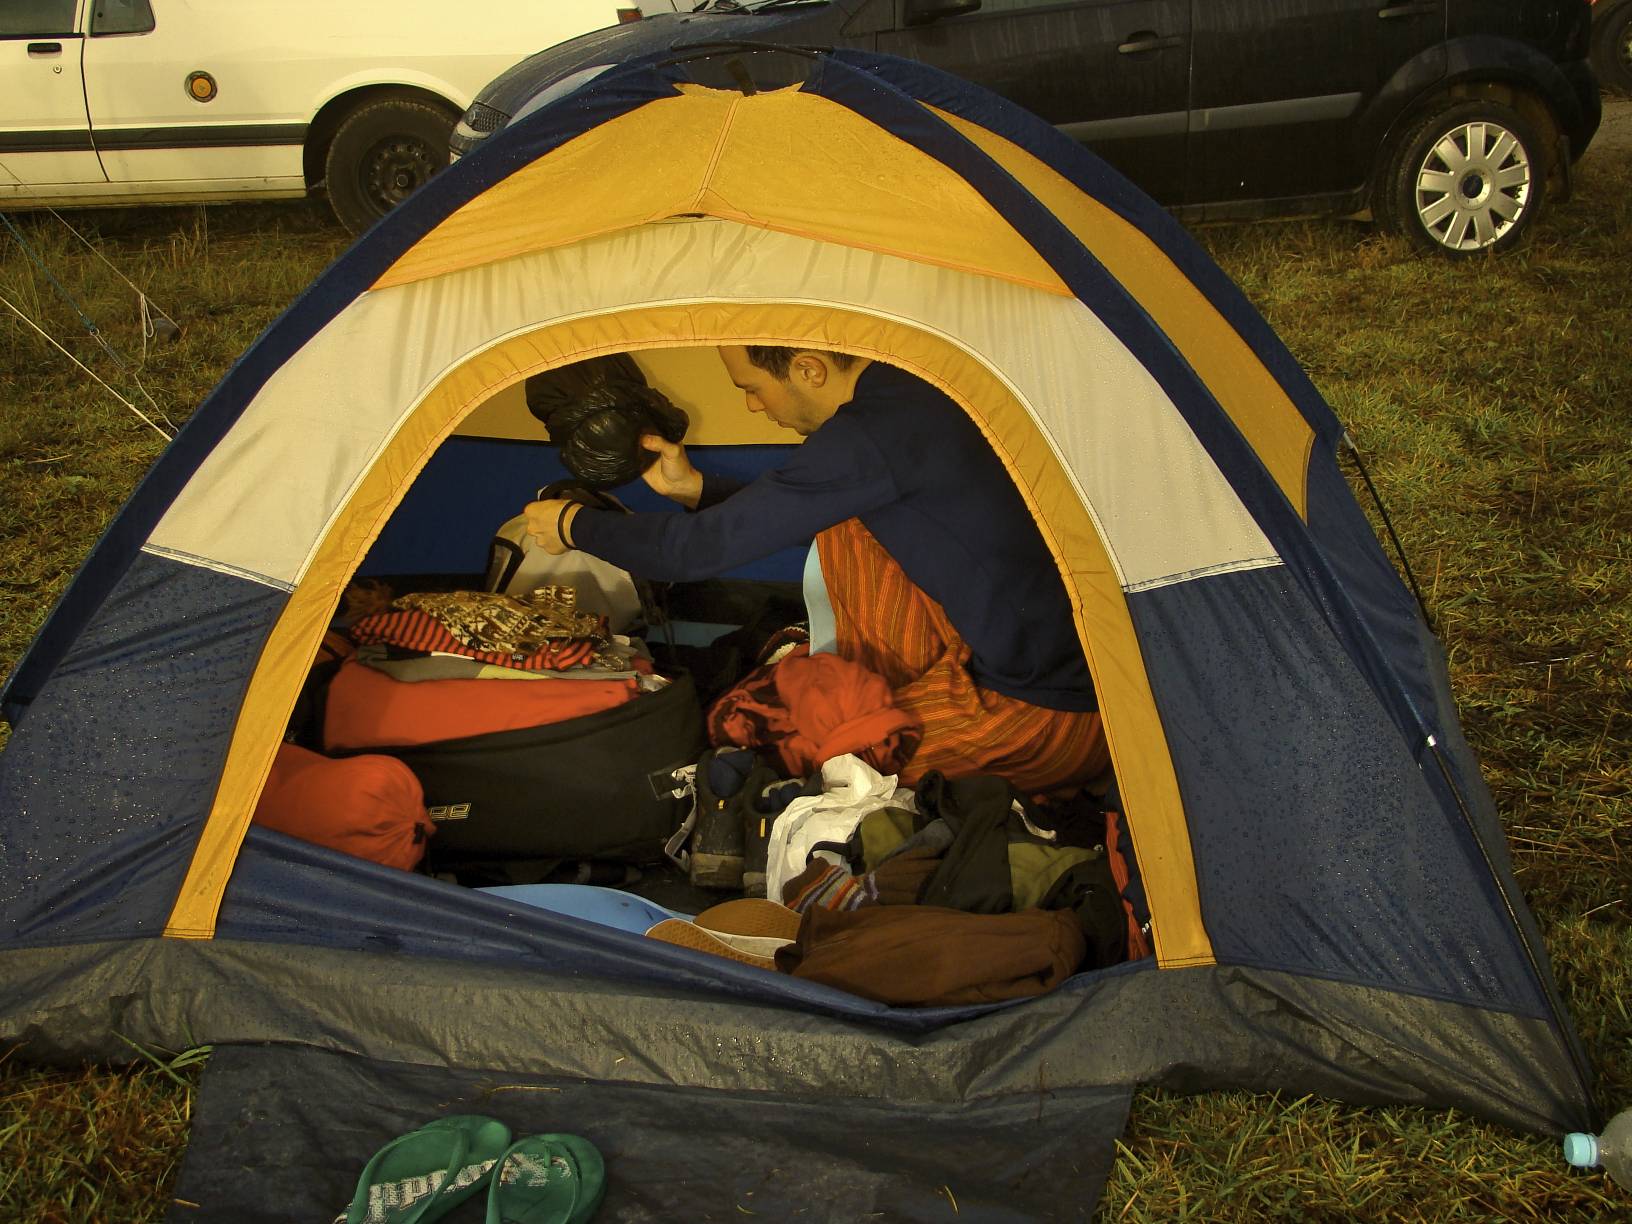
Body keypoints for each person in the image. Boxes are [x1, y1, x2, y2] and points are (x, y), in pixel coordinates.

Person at [523, 345, 1109, 794]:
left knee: (819, 768)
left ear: (807, 369)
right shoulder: (909, 398)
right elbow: (798, 508)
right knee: (847, 523)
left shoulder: (870, 435)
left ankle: (889, 725)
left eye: (753, 388)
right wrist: (697, 488)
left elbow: (693, 553)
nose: (753, 405)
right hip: (1030, 666)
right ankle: (881, 693)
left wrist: (576, 526)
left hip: (1043, 715)